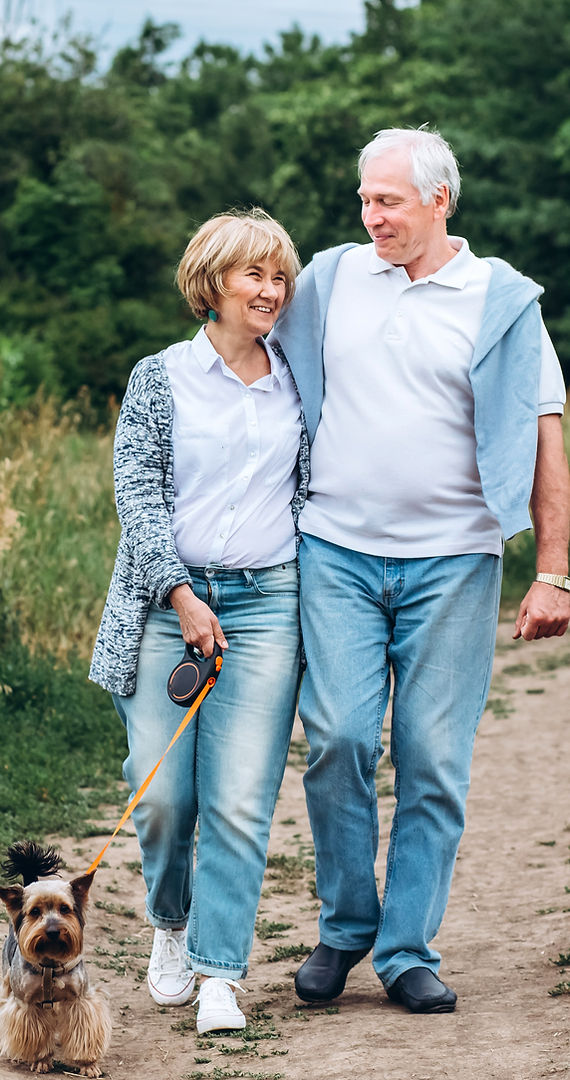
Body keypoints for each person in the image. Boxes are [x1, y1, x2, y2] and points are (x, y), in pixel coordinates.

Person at [269, 127, 570, 1014]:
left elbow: (546, 428)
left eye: (389, 200)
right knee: (339, 740)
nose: (372, 216)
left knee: (433, 759)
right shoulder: (327, 278)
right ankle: (345, 927)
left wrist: (554, 570)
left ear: (440, 200)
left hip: (455, 561)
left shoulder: (503, 300)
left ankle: (406, 950)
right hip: (336, 550)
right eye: (365, 199)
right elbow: (251, 359)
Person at [90, 208, 308, 1033]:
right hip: (159, 603)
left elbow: (311, 489)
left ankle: (221, 973)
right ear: (211, 283)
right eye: (253, 273)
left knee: (241, 799)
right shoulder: (161, 377)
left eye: (279, 276)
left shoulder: (298, 376)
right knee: (163, 794)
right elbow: (137, 495)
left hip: (268, 600)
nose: (270, 289)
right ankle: (171, 924)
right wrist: (182, 596)